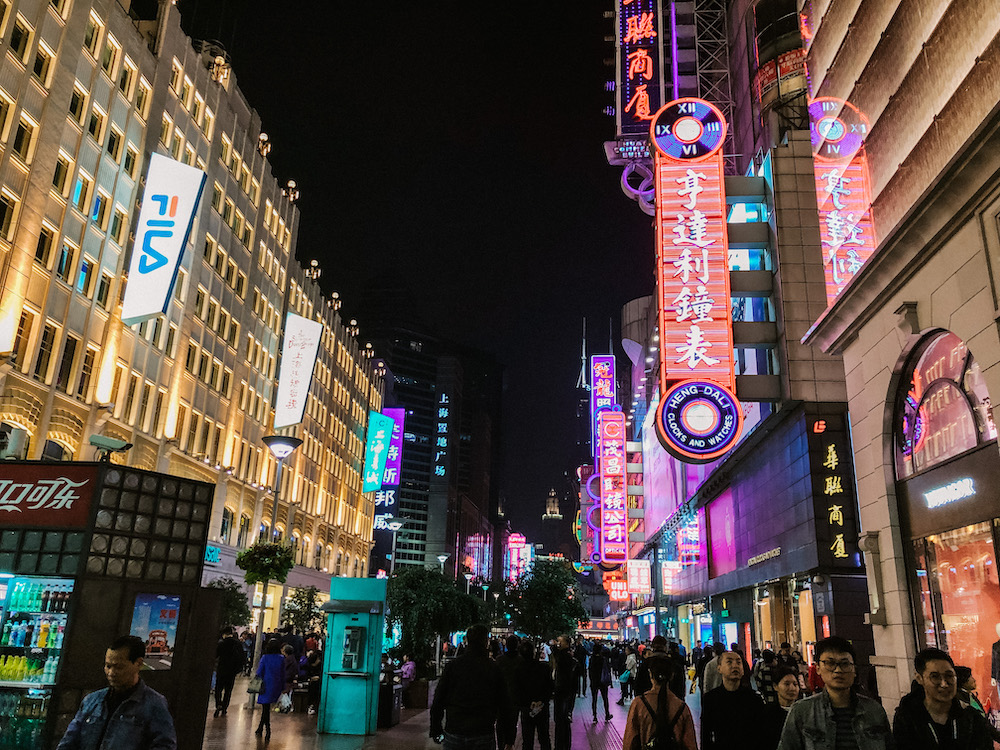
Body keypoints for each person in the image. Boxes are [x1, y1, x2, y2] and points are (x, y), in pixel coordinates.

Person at [57, 635, 176, 750]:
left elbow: (164, 745)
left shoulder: (154, 704)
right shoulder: (92, 700)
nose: (111, 673)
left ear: (138, 664)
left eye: (119, 667)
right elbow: (70, 740)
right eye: (108, 666)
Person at [777, 635, 892, 750]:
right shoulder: (802, 712)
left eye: (845, 664)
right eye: (830, 663)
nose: (838, 670)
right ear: (818, 668)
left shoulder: (874, 711)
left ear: (854, 669)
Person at [430, 623, 515, 750]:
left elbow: (439, 699)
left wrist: (436, 728)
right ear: (485, 641)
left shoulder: (454, 666)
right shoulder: (493, 668)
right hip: (482, 731)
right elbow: (504, 703)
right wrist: (509, 738)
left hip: (455, 728)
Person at [892, 648, 992, 749]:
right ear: (919, 679)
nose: (944, 684)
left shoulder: (971, 717)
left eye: (949, 676)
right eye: (935, 677)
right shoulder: (907, 719)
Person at [622, 655, 697, 750]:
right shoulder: (681, 707)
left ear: (650, 675)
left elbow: (630, 740)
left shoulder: (638, 704)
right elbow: (690, 744)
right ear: (672, 675)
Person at [702, 649, 766, 749]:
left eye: (738, 662)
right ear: (719, 668)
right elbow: (706, 734)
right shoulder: (711, 699)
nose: (735, 666)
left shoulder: (754, 699)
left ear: (743, 670)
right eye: (729, 662)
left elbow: (761, 734)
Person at [515, 639, 553, 750]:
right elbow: (550, 687)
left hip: (527, 708)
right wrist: (542, 701)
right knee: (544, 737)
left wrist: (528, 702)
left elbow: (518, 691)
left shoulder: (518, 670)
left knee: (527, 740)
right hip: (542, 707)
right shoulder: (544, 668)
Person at [761, 666, 801, 750]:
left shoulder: (803, 712)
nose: (792, 688)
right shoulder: (767, 713)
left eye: (795, 684)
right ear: (775, 686)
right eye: (786, 684)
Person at [255, 639, 286, 740]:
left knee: (265, 708)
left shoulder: (265, 658)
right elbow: (283, 674)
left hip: (266, 685)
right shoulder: (281, 658)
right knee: (266, 709)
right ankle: (261, 728)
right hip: (276, 685)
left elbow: (259, 672)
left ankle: (267, 729)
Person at [495, 635, 522, 750]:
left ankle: (501, 744)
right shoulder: (521, 661)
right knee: (512, 722)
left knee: (501, 722)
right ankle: (509, 744)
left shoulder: (500, 660)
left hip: (501, 697)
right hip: (515, 697)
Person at [213, 625, 246, 717]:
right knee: (228, 690)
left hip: (222, 669)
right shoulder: (238, 644)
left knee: (218, 689)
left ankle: (218, 704)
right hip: (232, 671)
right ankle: (224, 708)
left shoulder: (221, 643)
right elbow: (242, 658)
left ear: (224, 634)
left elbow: (215, 655)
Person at [552, 634, 578, 750]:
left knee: (561, 721)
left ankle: (560, 745)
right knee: (563, 721)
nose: (558, 644)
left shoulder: (565, 656)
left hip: (563, 691)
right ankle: (563, 745)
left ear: (566, 643)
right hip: (565, 691)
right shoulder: (568, 656)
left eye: (560, 641)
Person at [588, 641, 613, 723]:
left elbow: (590, 671)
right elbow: (607, 670)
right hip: (602, 681)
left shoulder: (592, 659)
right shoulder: (603, 659)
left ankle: (595, 716)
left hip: (594, 682)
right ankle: (607, 714)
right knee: (605, 698)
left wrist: (591, 680)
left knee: (594, 699)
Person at [304, 647, 323, 715]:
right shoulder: (313, 665)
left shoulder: (320, 665)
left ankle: (312, 705)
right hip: (314, 683)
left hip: (316, 683)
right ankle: (312, 705)